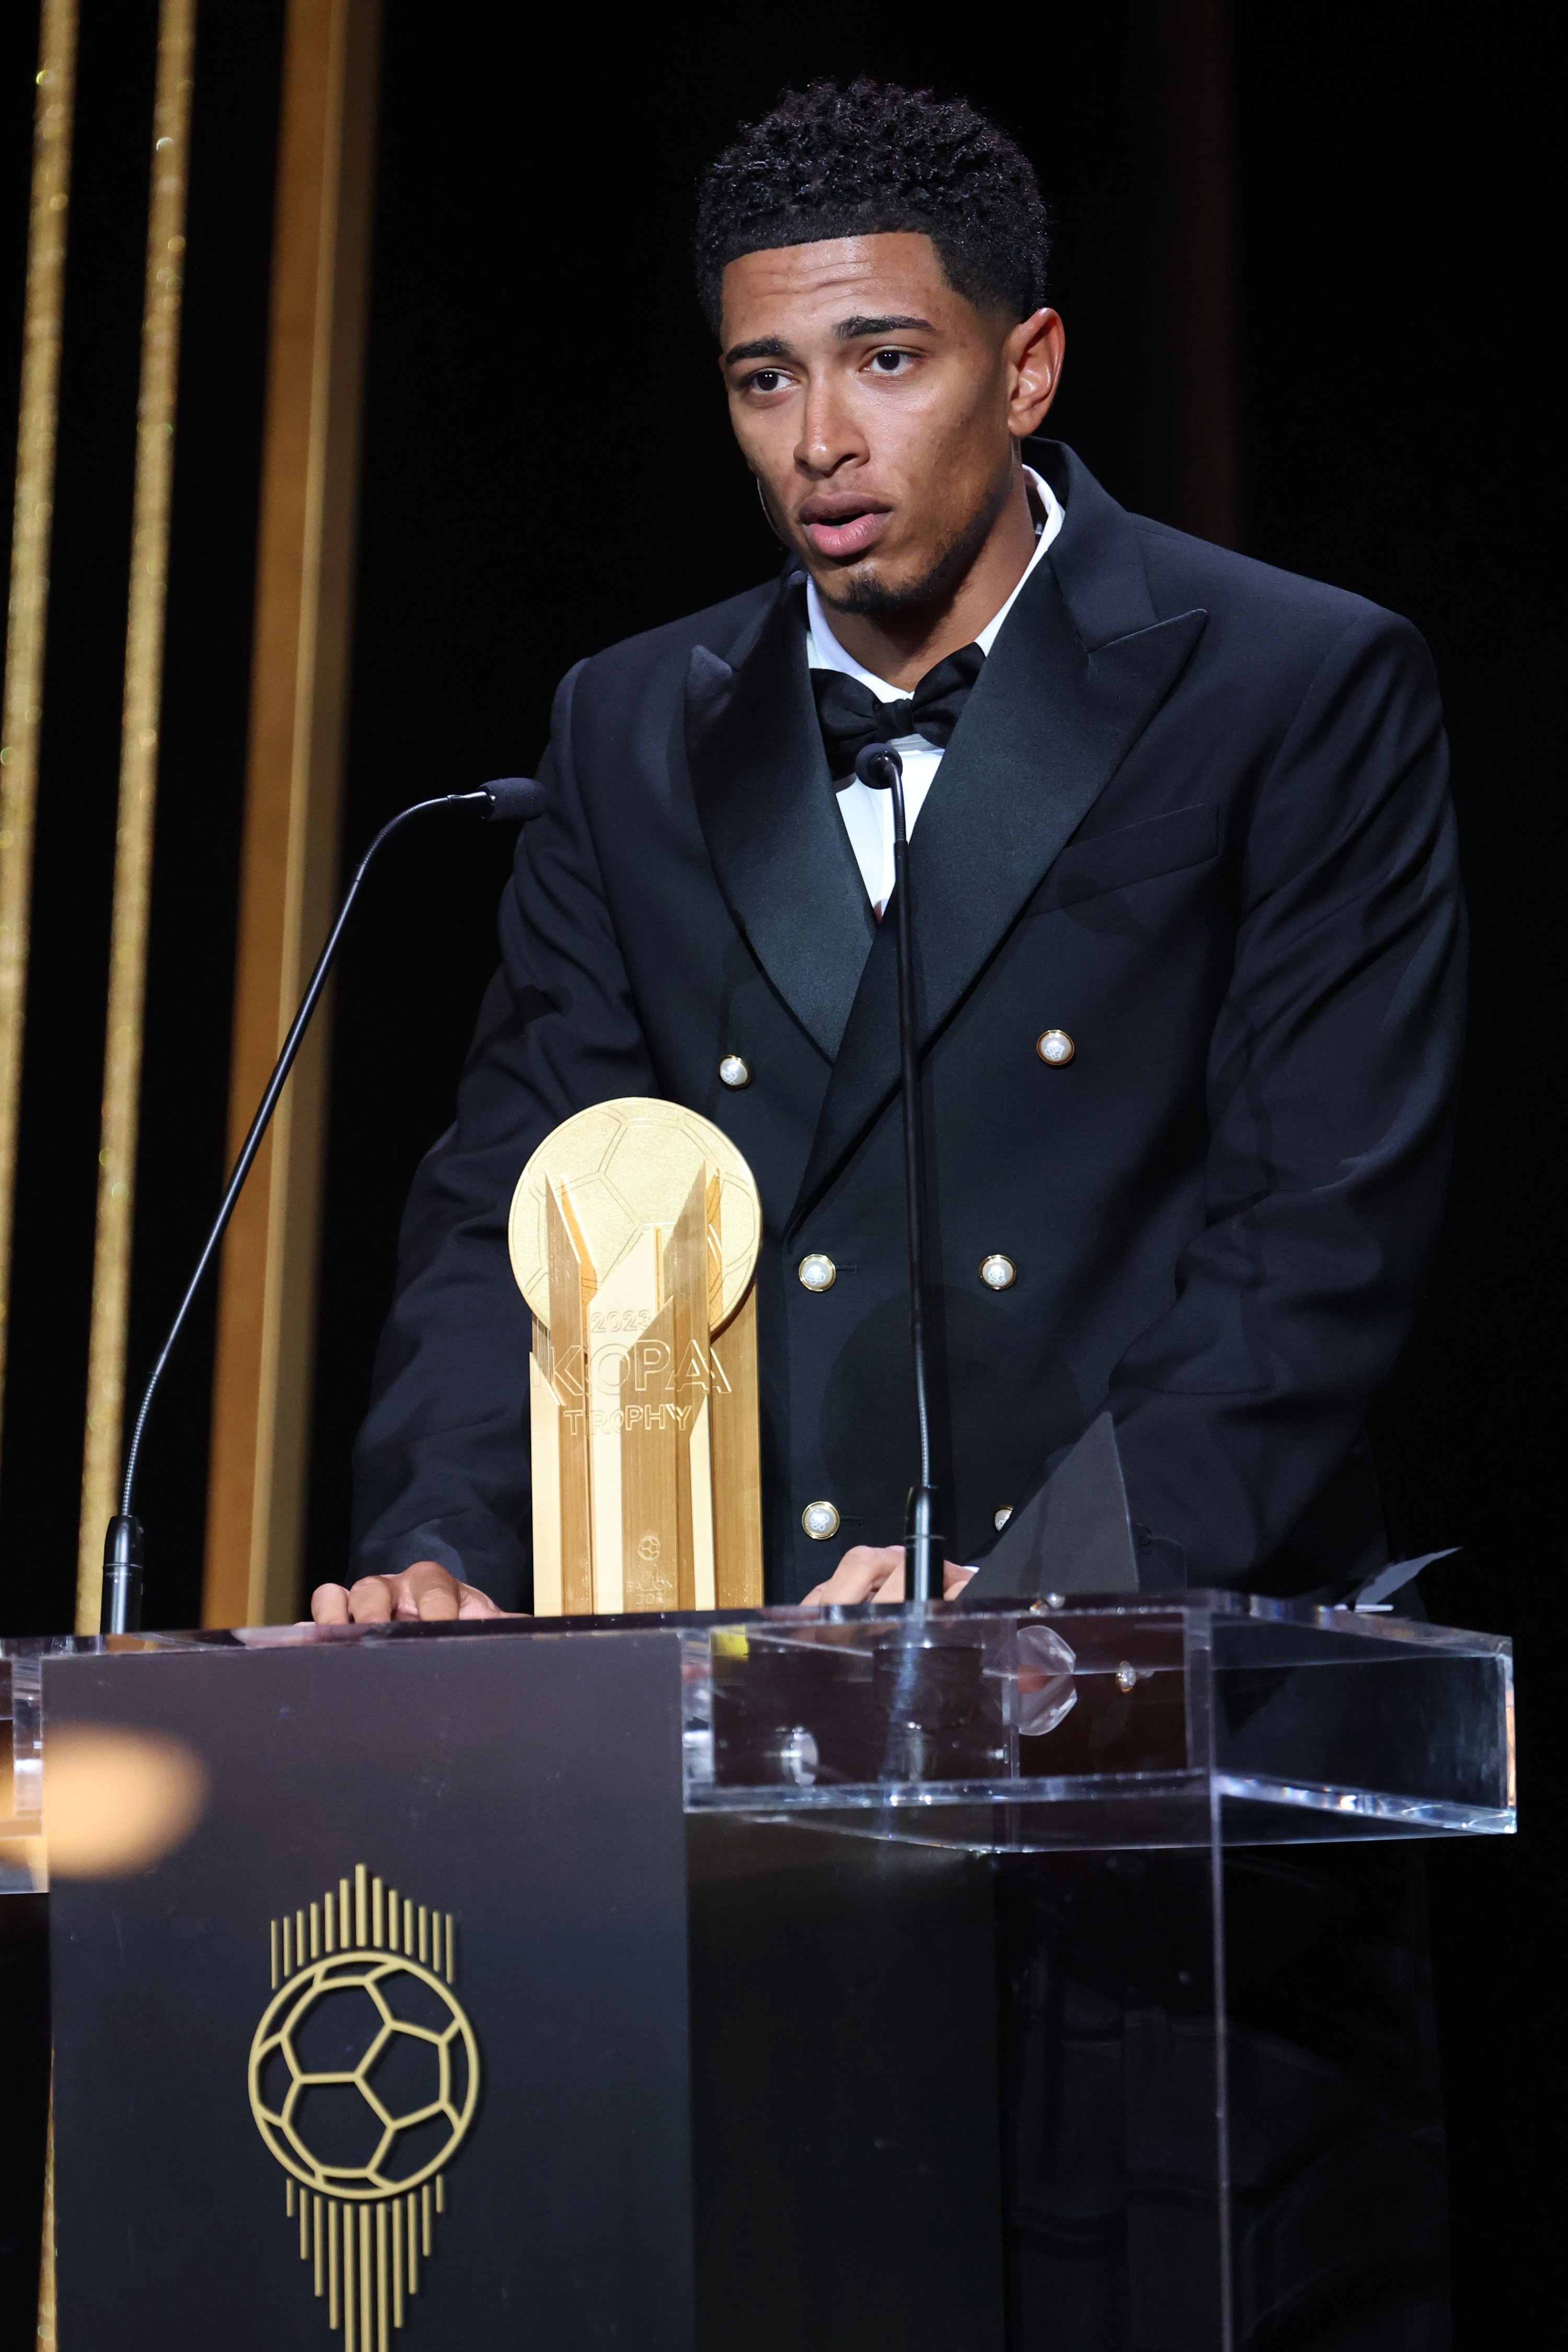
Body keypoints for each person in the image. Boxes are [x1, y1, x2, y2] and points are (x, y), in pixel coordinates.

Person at [311, 77, 1462, 1629]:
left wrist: (1045, 1593)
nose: (823, 444)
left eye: (888, 361)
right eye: (765, 382)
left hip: (1151, 1675)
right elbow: (512, 1206)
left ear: (1028, 369)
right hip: (751, 1683)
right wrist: (444, 1553)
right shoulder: (631, 725)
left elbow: (1316, 1234)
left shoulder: (1293, 682)